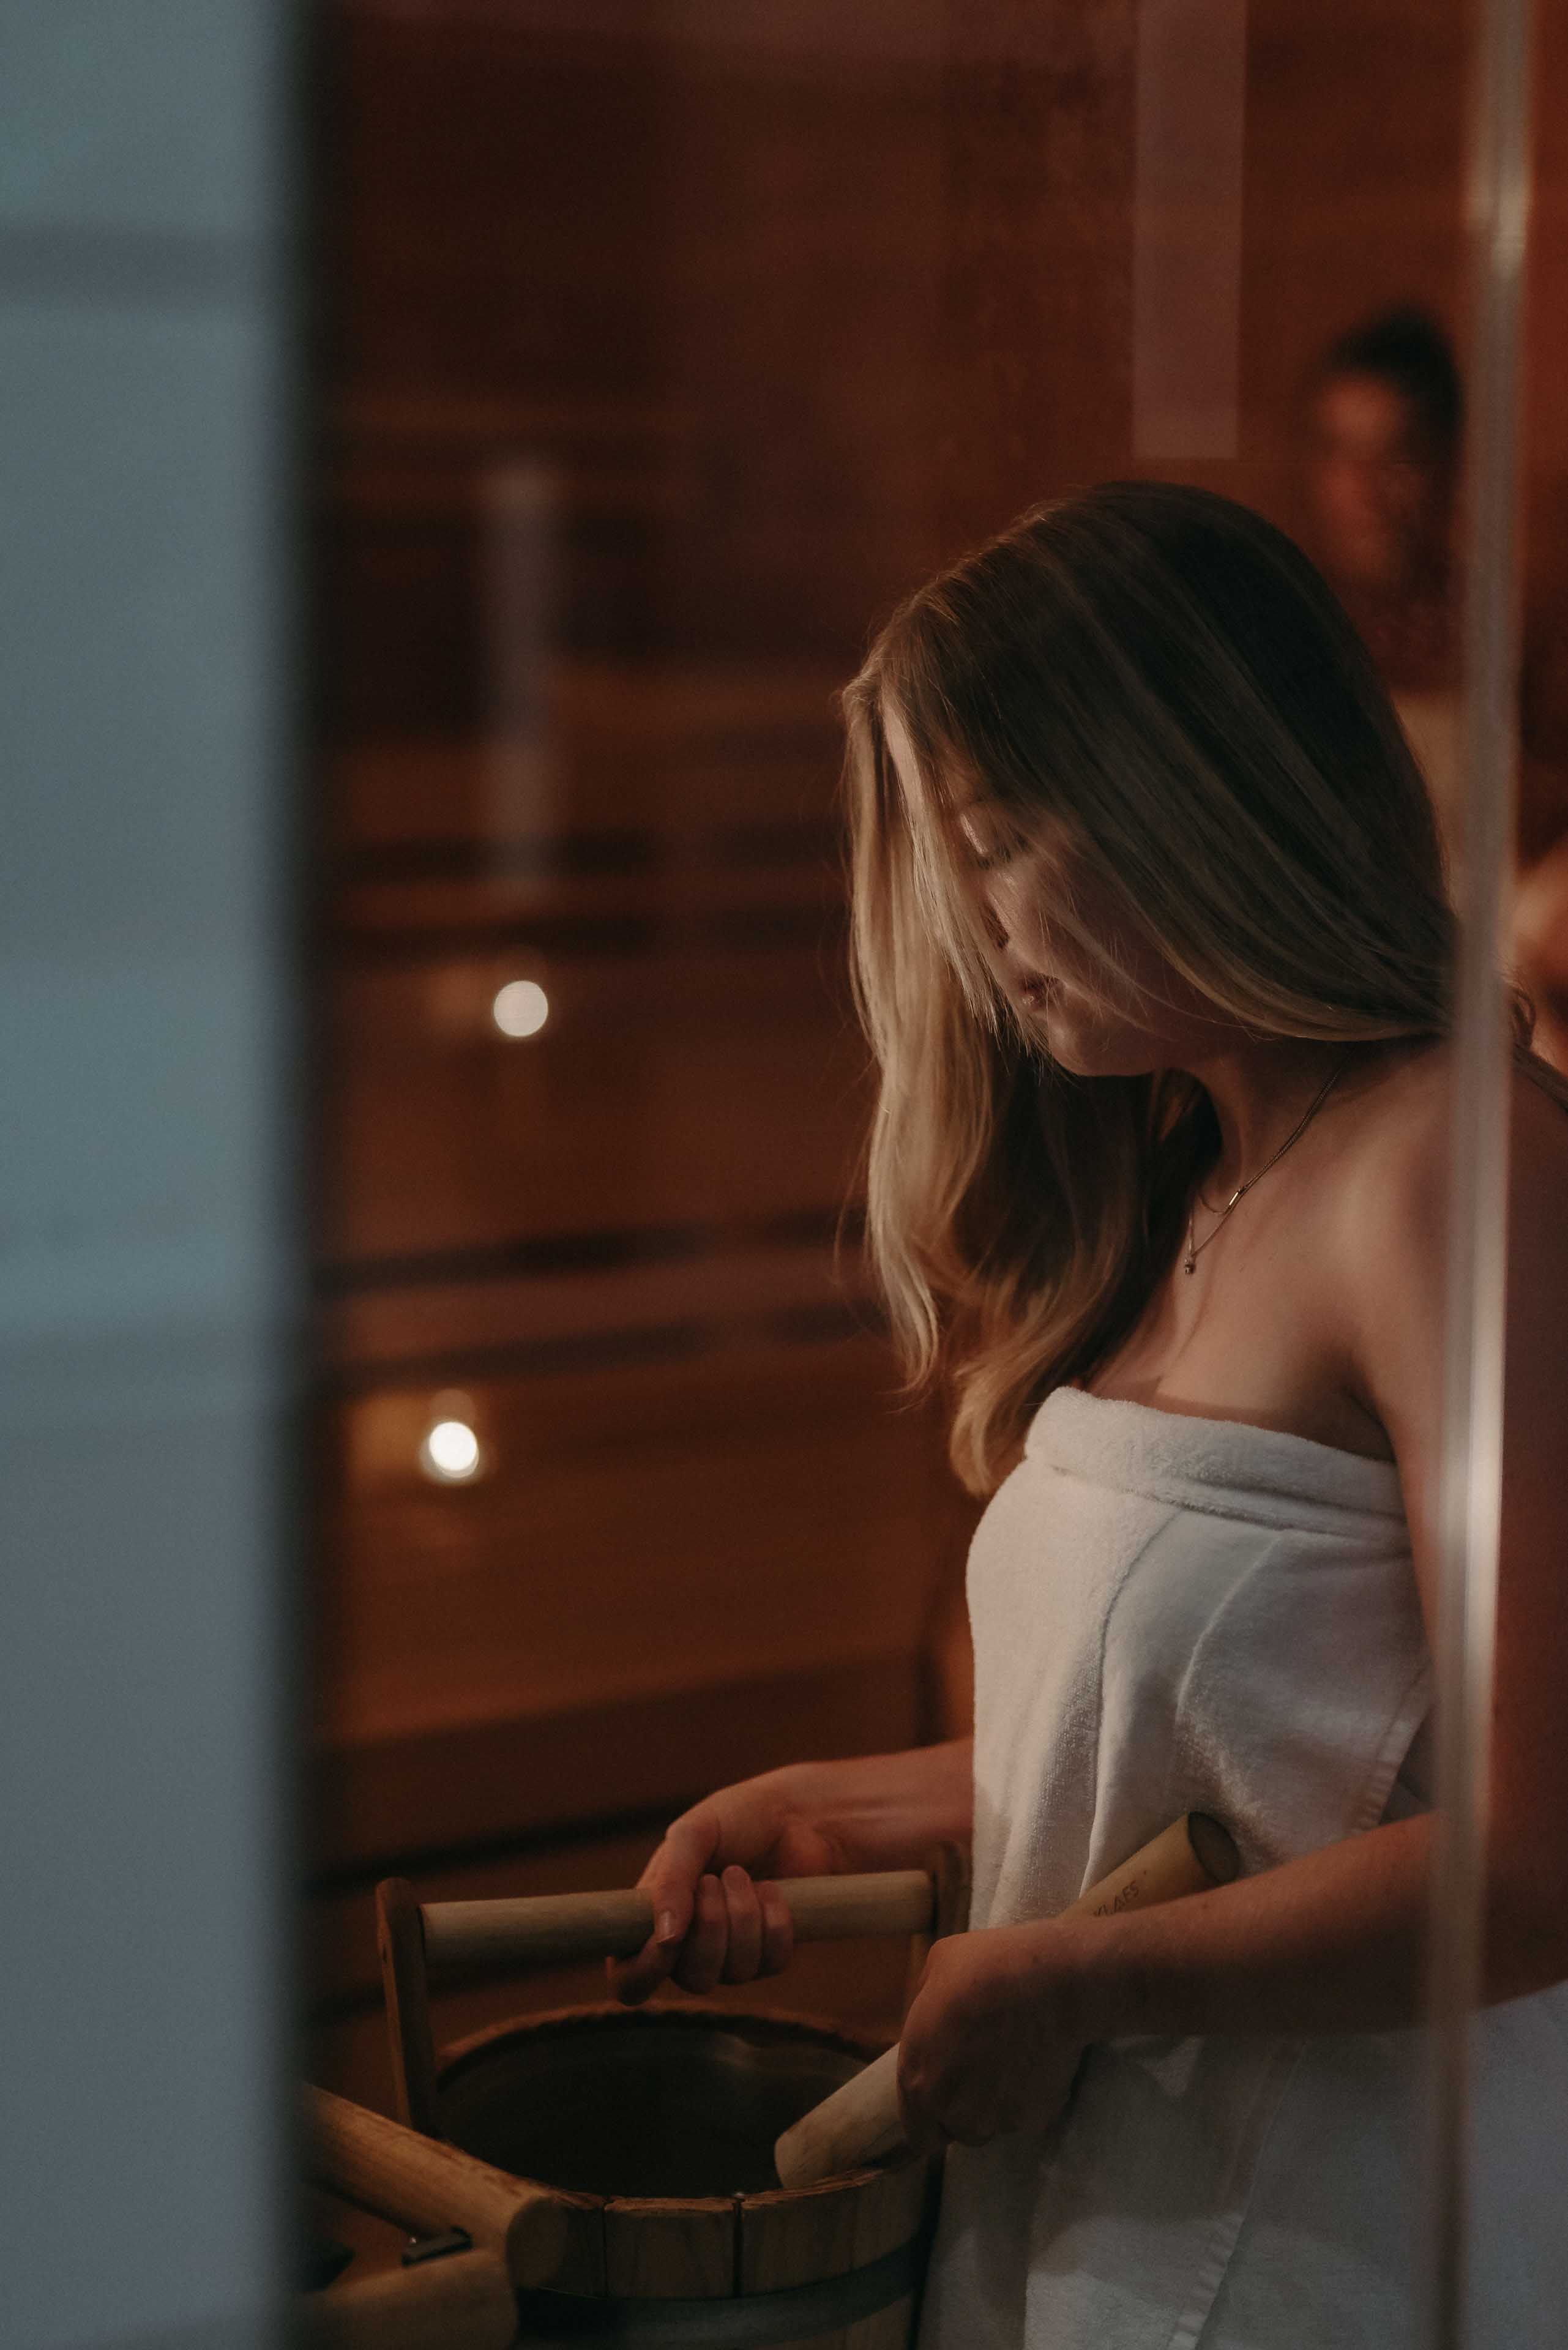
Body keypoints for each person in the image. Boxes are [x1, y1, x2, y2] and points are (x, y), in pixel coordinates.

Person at [608, 483, 1568, 2346]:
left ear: (1187, 797)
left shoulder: (1447, 1171)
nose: (966, 929)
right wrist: (834, 1814)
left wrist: (1068, 1985)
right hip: (1130, 2214)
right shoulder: (1197, 1174)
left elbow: (1534, 1862)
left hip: (1342, 2242)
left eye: (992, 845)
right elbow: (1269, 1774)